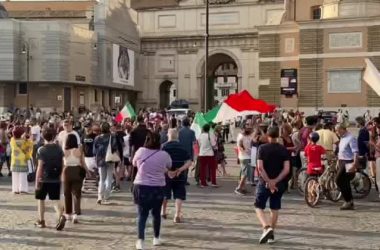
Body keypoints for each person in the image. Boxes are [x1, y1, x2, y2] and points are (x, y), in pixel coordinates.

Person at [132, 131, 176, 250]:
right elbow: (169, 166)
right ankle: (156, 238)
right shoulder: (164, 154)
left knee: (142, 214)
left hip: (141, 186)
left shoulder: (141, 151)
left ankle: (140, 241)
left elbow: (134, 163)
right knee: (156, 214)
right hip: (158, 187)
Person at [255, 126, 290, 244]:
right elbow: (286, 169)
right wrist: (275, 181)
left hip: (264, 182)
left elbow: (260, 167)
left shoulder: (262, 148)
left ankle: (266, 227)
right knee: (274, 208)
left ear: (268, 136)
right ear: (278, 135)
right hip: (279, 184)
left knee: (259, 206)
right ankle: (271, 235)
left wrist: (269, 181)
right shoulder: (283, 149)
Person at [35, 128, 66, 230]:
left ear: (43, 137)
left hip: (44, 178)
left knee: (41, 200)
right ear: (54, 137)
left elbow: (40, 166)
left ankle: (41, 220)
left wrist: (37, 180)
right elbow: (62, 163)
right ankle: (60, 216)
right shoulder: (59, 148)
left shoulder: (41, 149)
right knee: (55, 199)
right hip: (55, 177)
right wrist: (61, 174)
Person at [161, 129, 192, 223]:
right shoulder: (182, 147)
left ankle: (163, 212)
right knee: (179, 194)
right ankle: (177, 215)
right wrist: (180, 169)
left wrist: (168, 171)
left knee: (165, 194)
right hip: (180, 174)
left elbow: (160, 162)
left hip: (166, 174)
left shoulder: (163, 147)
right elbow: (189, 162)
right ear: (177, 136)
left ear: (168, 136)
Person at [63, 134, 88, 224]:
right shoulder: (79, 151)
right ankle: (75, 214)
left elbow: (62, 163)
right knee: (77, 193)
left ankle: (68, 213)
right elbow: (83, 163)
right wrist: (88, 172)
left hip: (67, 171)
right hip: (77, 170)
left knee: (67, 193)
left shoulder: (65, 151)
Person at [93, 122, 118, 205]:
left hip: (100, 160)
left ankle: (99, 196)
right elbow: (115, 148)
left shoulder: (97, 138)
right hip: (110, 159)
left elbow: (94, 151)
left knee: (102, 179)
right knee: (109, 178)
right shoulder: (113, 137)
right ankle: (106, 195)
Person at [336, 123, 359, 210]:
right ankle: (349, 201)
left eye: (337, 131)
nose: (336, 132)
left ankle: (347, 200)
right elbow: (341, 151)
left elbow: (355, 152)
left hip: (348, 162)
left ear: (342, 129)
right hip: (342, 161)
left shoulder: (351, 138)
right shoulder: (342, 138)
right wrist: (338, 161)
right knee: (345, 183)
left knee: (338, 180)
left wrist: (354, 164)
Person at [10, 126, 33, 194]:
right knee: (23, 175)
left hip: (14, 161)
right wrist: (27, 139)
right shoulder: (24, 141)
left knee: (15, 176)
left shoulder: (12, 141)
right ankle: (23, 189)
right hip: (23, 161)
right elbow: (30, 146)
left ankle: (15, 189)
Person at [129, 116, 150, 182]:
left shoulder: (133, 131)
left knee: (135, 169)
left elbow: (131, 144)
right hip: (146, 152)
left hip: (136, 152)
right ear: (143, 120)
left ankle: (134, 185)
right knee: (145, 169)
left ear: (137, 121)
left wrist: (130, 155)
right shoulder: (148, 131)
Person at [235, 124, 253, 195]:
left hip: (247, 156)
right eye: (248, 128)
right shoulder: (241, 136)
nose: (249, 129)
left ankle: (243, 188)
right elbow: (240, 146)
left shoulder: (247, 135)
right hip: (244, 157)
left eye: (250, 128)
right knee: (245, 173)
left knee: (244, 173)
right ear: (243, 129)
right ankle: (239, 188)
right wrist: (246, 152)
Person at [178, 118, 196, 185]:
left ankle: (181, 179)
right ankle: (184, 180)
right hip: (188, 151)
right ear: (189, 123)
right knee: (186, 167)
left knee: (181, 165)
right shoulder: (192, 132)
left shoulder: (179, 131)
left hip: (180, 151)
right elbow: (194, 142)